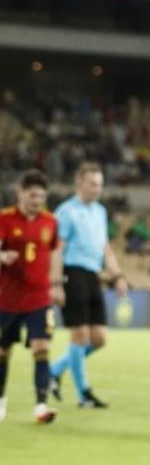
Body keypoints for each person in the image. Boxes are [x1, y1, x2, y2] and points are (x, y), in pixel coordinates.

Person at [48, 163, 129, 408]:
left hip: (93, 275)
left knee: (99, 338)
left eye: (100, 184)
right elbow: (56, 249)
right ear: (79, 184)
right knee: (80, 335)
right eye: (93, 184)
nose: (98, 189)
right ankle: (84, 394)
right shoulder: (66, 212)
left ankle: (53, 370)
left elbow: (104, 247)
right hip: (72, 274)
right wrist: (55, 283)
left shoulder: (100, 212)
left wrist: (118, 276)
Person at [0, 170, 62, 423]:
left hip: (39, 298)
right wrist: (2, 257)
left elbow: (56, 252)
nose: (37, 200)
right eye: (33, 195)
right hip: (8, 298)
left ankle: (41, 406)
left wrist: (57, 284)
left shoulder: (50, 221)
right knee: (3, 351)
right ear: (20, 193)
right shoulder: (4, 219)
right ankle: (1, 401)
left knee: (41, 348)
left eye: (41, 196)